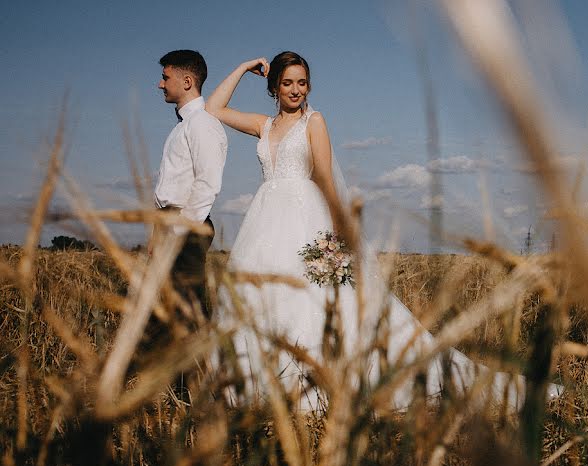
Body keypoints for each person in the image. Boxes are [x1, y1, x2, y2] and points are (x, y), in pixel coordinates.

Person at [207, 52, 559, 411]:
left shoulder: (314, 122)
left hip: (305, 220)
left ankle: (319, 383)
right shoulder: (264, 126)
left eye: (302, 82)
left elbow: (326, 178)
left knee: (316, 301)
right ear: (274, 87)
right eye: (287, 83)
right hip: (265, 225)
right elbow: (213, 109)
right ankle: (264, 385)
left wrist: (340, 231)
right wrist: (242, 67)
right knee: (264, 300)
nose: (296, 90)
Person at [142, 49, 228, 398]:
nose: (159, 83)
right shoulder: (185, 125)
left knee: (188, 311)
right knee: (172, 311)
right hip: (170, 225)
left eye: (166, 77)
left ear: (187, 81)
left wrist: (180, 231)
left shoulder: (202, 124)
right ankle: (178, 389)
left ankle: (195, 393)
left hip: (186, 227)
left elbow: (208, 184)